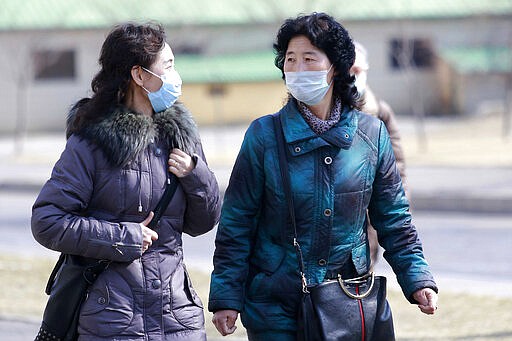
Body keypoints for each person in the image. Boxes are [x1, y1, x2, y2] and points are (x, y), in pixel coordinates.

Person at [209, 12, 438, 340]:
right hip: (275, 305)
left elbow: (395, 220)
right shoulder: (263, 135)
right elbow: (236, 223)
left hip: (347, 297)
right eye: (290, 59)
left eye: (309, 59)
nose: (297, 69)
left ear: (336, 67)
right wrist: (226, 296)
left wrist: (417, 279)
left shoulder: (371, 134)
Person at [31, 22, 221, 340]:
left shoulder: (180, 134)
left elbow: (203, 223)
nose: (176, 77)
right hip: (112, 321)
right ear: (139, 75)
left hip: (178, 318)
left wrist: (194, 173)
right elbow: (47, 221)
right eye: (168, 66)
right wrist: (124, 237)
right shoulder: (91, 142)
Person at [351, 41, 409, 269]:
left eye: (357, 70)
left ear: (365, 70)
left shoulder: (380, 112)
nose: (352, 76)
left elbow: (398, 169)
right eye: (347, 69)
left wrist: (400, 217)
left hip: (369, 213)